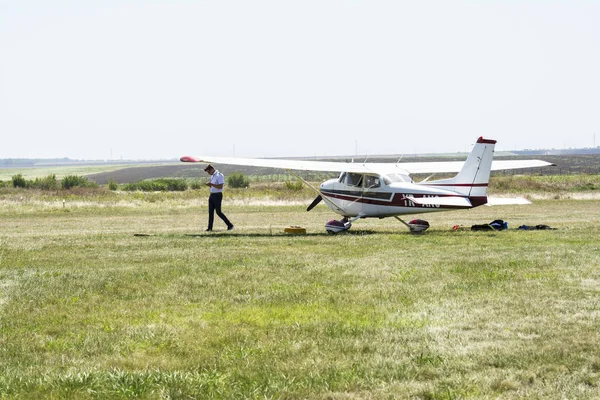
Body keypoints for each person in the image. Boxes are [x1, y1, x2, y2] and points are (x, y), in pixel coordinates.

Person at [204, 164, 234, 231]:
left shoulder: (219, 175)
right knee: (210, 212)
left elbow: (220, 186)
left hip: (217, 195)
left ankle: (230, 225)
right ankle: (210, 228)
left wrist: (211, 184)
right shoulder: (213, 176)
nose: (208, 173)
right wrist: (209, 185)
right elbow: (214, 186)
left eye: (209, 172)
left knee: (218, 212)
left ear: (212, 169)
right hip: (212, 195)